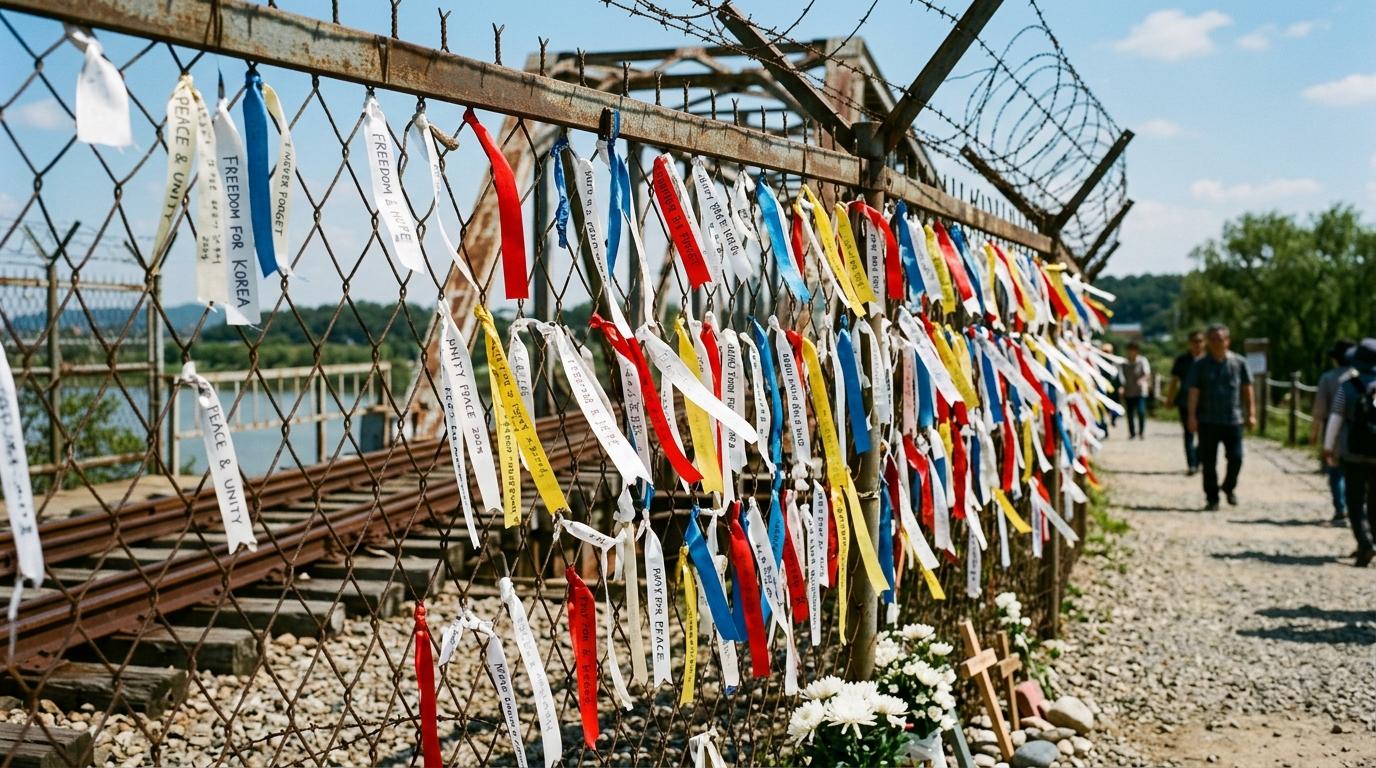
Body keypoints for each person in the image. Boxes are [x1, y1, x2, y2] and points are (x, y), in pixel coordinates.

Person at [1186, 324, 1255, 511]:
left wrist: (1251, 414)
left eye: (1221, 339)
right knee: (1208, 462)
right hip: (1208, 420)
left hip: (1233, 419)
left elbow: (1247, 389)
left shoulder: (1239, 363)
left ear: (1228, 341)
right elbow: (1193, 392)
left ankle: (1229, 486)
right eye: (1214, 339)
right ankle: (1212, 497)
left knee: (1237, 458)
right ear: (1209, 342)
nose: (1217, 343)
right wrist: (1191, 417)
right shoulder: (1200, 365)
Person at [1322, 338, 1376, 568]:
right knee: (1375, 501)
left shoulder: (1346, 385)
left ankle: (1364, 542)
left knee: (1355, 501)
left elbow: (1335, 417)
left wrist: (1328, 446)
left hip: (1352, 451)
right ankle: (1373, 539)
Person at [1312, 340, 1355, 525]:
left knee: (1336, 473)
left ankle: (1340, 509)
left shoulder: (1328, 378)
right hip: (1361, 434)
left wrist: (1314, 433)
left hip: (1335, 432)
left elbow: (1320, 410)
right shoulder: (1362, 377)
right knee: (1355, 475)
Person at [1167, 331, 1206, 474]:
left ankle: (1198, 458)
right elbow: (1174, 381)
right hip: (1184, 402)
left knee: (1205, 435)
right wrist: (1170, 398)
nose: (1197, 344)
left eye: (1200, 341)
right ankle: (1192, 464)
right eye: (1195, 341)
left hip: (1205, 403)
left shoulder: (1209, 360)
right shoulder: (1182, 360)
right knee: (1188, 433)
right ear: (1190, 343)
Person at [1119, 342, 1151, 439]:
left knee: (1141, 411)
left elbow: (1147, 374)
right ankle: (1132, 433)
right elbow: (1121, 376)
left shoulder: (1142, 361)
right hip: (1129, 391)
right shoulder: (1124, 363)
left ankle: (1141, 432)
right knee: (1130, 413)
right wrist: (1121, 387)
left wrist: (1142, 380)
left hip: (1140, 391)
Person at [1102, 342, 1121, 429]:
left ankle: (1113, 419)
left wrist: (1121, 386)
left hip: (1114, 389)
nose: (1107, 353)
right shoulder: (1099, 362)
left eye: (1108, 351)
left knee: (1114, 406)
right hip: (1103, 388)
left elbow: (1120, 375)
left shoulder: (1115, 362)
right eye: (1105, 351)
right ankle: (1104, 428)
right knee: (1104, 409)